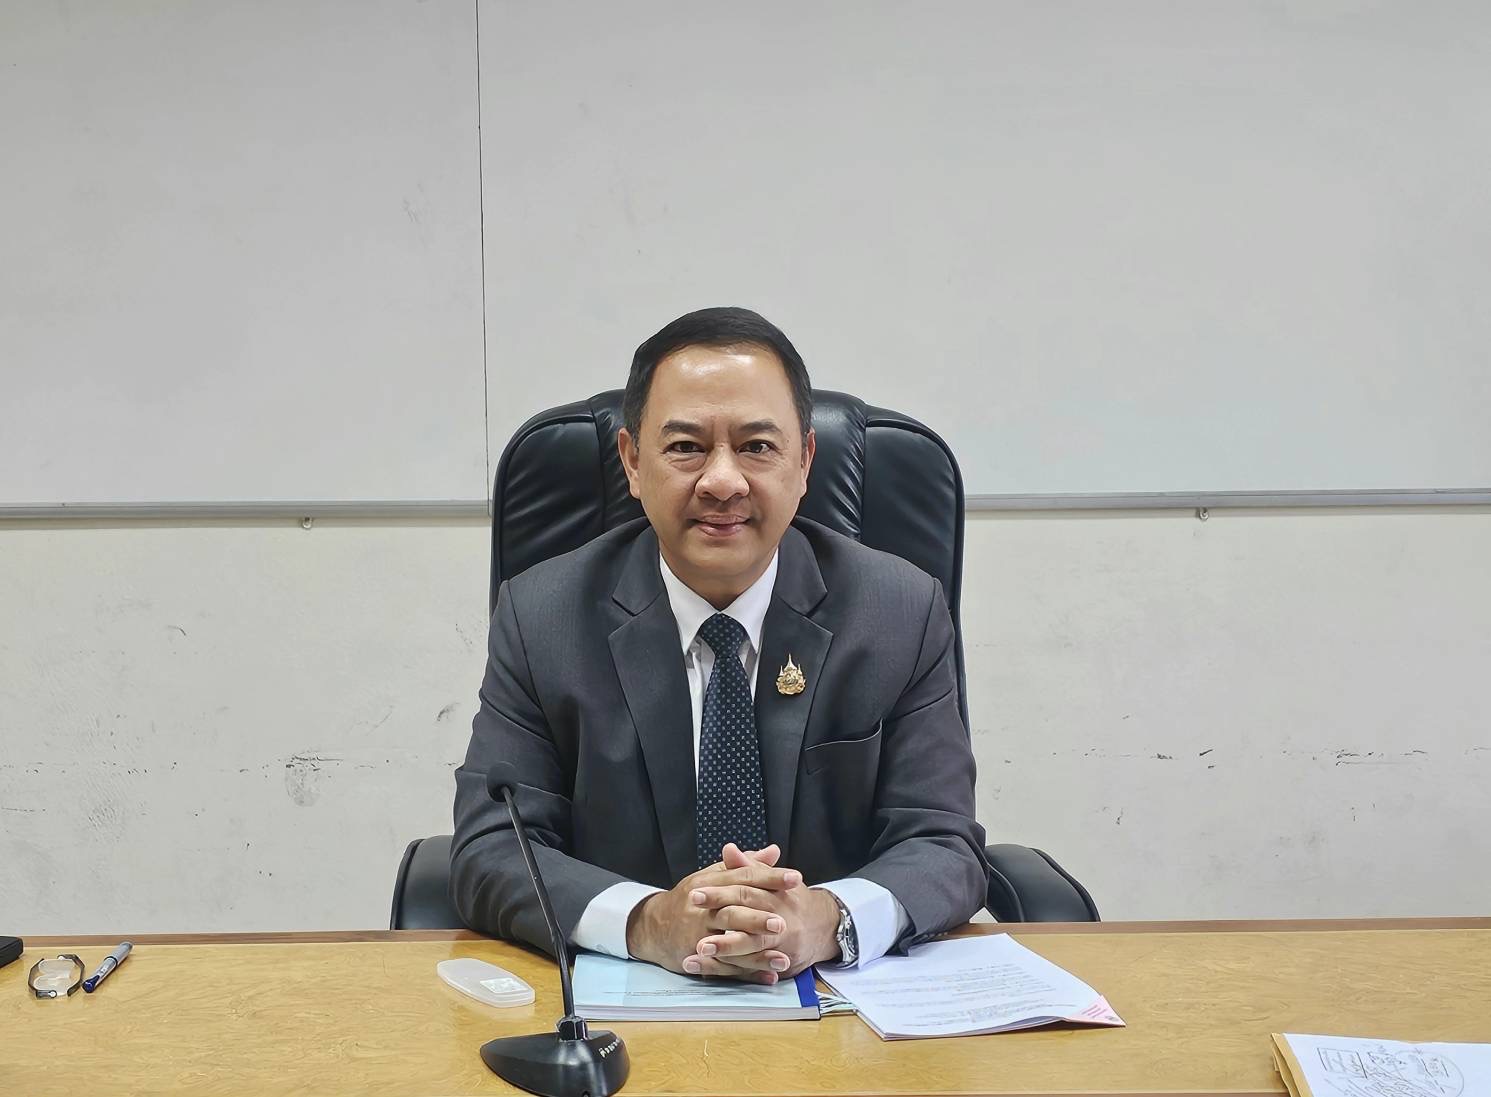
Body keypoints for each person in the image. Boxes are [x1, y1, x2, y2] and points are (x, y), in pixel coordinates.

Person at [451, 307, 986, 982]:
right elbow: (493, 849)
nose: (723, 481)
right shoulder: (542, 618)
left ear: (804, 462)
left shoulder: (899, 612)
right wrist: (648, 922)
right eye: (686, 447)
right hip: (624, 1002)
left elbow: (942, 843)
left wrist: (824, 919)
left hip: (838, 1004)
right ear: (632, 462)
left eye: (757, 446)